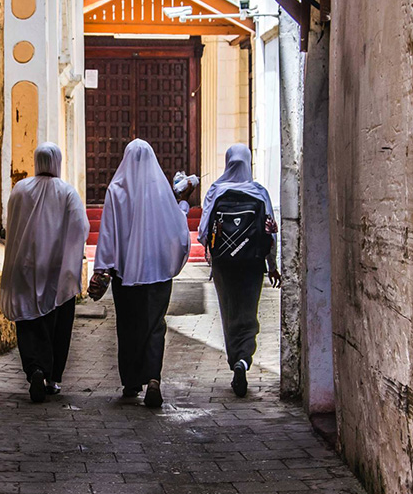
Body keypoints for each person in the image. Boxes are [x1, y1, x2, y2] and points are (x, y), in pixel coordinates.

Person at [88, 139, 190, 408]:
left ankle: (132, 381)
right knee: (155, 326)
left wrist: (103, 266)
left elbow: (107, 234)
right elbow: (177, 230)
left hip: (126, 274)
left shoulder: (116, 190)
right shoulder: (161, 192)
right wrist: (184, 207)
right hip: (157, 273)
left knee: (129, 326)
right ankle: (153, 378)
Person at [0, 142, 89, 403]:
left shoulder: (20, 189)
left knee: (29, 322)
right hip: (57, 272)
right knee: (57, 325)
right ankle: (52, 378)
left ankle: (34, 368)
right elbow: (80, 228)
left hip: (25, 269)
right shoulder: (67, 192)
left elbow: (11, 226)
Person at [198, 144, 281, 398]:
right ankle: (244, 360)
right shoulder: (259, 192)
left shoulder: (216, 190)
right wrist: (272, 265)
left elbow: (203, 232)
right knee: (248, 311)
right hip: (252, 264)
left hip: (225, 264)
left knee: (229, 312)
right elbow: (270, 232)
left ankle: (235, 359)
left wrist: (213, 250)